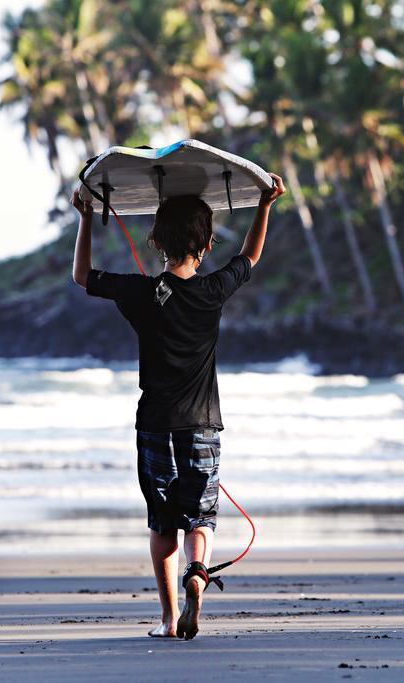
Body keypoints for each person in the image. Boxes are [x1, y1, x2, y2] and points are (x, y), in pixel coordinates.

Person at [70, 173, 285, 640]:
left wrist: (86, 218)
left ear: (156, 242)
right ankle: (198, 572)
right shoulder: (212, 293)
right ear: (206, 245)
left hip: (154, 426)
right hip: (203, 425)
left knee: (163, 521)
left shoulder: (142, 293)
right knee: (201, 516)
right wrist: (265, 204)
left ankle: (168, 620)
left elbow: (83, 276)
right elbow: (249, 257)